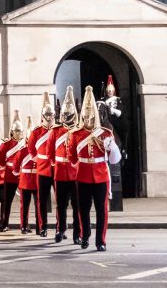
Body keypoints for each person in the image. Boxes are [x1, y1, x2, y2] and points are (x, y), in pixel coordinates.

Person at [68, 85, 121, 251]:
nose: (89, 120)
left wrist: (111, 147)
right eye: (86, 117)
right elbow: (72, 157)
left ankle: (101, 241)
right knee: (83, 210)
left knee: (102, 211)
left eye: (91, 117)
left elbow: (114, 160)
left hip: (101, 175)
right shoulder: (76, 135)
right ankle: (85, 237)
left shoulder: (105, 133)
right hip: (83, 175)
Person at [52, 86, 82, 243]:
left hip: (75, 173)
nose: (68, 117)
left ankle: (77, 234)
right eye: (66, 114)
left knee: (77, 207)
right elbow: (51, 151)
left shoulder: (78, 131)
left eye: (70, 114)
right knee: (61, 206)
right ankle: (61, 229)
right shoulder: (56, 131)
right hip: (60, 173)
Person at [27, 91, 55, 237]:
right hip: (43, 168)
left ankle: (60, 226)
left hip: (56, 168)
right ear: (43, 116)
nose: (50, 118)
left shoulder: (57, 130)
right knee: (41, 200)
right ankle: (42, 226)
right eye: (48, 115)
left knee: (60, 201)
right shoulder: (36, 132)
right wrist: (39, 160)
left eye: (52, 116)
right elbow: (31, 149)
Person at [0, 110, 26, 232]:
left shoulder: (24, 144)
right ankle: (4, 223)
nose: (18, 133)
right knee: (6, 201)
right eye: (16, 131)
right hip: (9, 175)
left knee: (24, 202)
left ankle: (24, 225)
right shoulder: (6, 144)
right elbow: (0, 156)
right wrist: (3, 165)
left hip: (22, 175)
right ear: (12, 132)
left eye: (20, 131)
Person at [18, 116, 39, 233]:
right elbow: (16, 165)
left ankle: (39, 226)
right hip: (26, 181)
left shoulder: (38, 149)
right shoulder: (22, 150)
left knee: (38, 206)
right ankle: (24, 226)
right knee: (25, 206)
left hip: (35, 180)